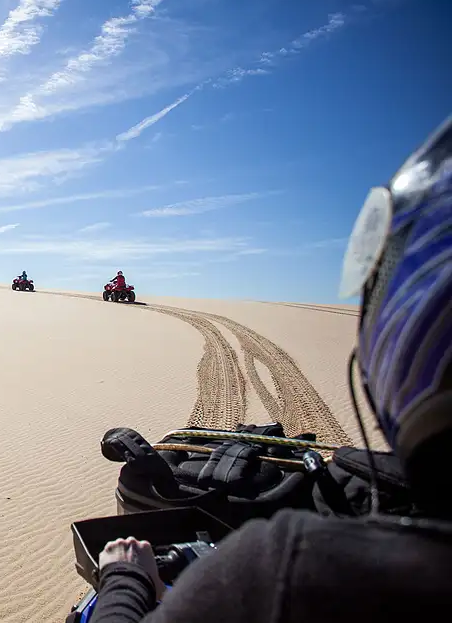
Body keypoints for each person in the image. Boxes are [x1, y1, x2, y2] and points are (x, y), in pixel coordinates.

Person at [89, 117, 452, 623]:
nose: (121, 284)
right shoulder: (115, 278)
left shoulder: (282, 570)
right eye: (120, 283)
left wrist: (125, 580)